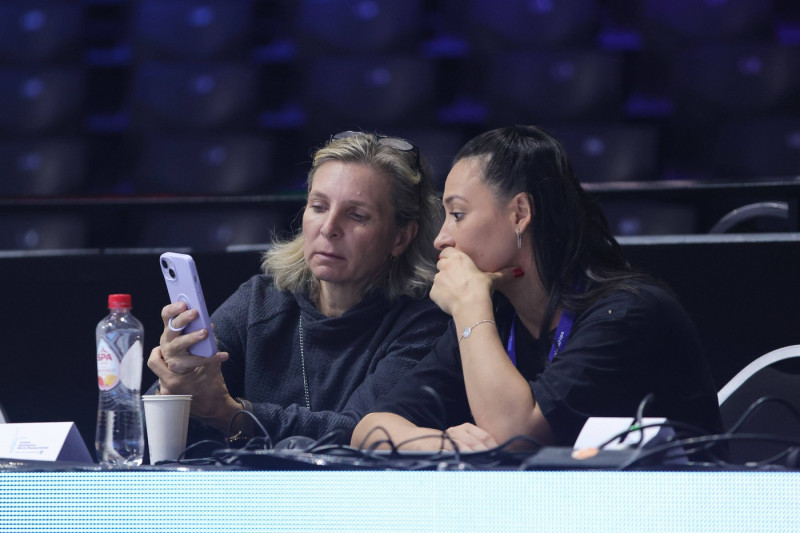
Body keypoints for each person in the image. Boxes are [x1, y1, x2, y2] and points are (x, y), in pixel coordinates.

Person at [352, 125, 723, 452]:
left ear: (520, 214)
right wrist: (437, 443)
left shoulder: (628, 315)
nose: (442, 239)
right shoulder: (495, 314)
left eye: (459, 214)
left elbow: (515, 435)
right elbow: (369, 430)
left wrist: (468, 306)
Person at [147, 131, 449, 446]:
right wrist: (174, 388)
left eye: (357, 215)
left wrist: (229, 413)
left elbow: (364, 435)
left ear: (401, 238)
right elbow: (154, 434)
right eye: (318, 206)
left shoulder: (424, 322)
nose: (329, 228)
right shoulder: (258, 302)